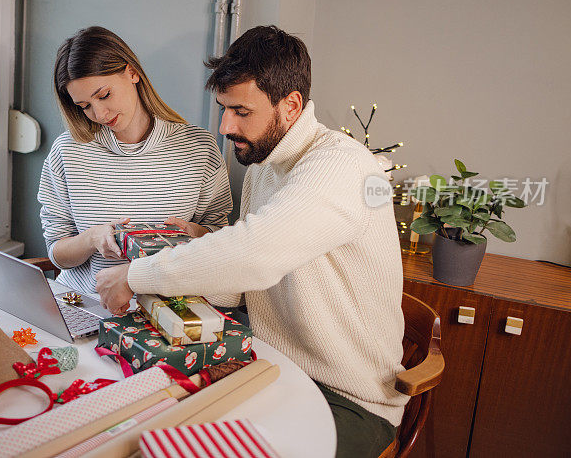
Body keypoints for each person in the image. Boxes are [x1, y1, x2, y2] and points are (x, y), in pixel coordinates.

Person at [95, 25, 409, 457]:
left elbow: (256, 255)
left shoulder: (341, 165)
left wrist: (138, 274)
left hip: (349, 398)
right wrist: (194, 249)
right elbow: (239, 284)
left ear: (291, 105)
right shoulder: (265, 163)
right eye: (224, 109)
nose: (225, 125)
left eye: (241, 111)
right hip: (268, 364)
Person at [39, 26, 232, 294]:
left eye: (104, 95)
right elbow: (57, 253)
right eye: (84, 106)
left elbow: (223, 240)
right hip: (84, 304)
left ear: (132, 73)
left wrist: (194, 233)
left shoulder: (199, 149)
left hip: (167, 312)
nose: (99, 113)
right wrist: (92, 238)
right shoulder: (67, 152)